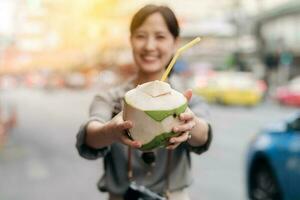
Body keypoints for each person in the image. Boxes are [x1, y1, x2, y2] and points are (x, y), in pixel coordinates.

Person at [76, 4, 212, 200]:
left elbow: (204, 135)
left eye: (160, 36)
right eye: (141, 36)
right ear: (131, 40)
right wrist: (110, 131)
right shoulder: (111, 98)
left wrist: (192, 123)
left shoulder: (185, 99)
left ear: (175, 43)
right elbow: (90, 138)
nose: (149, 46)